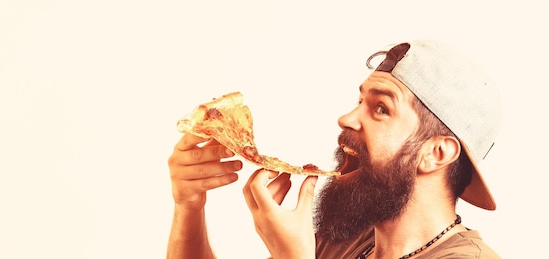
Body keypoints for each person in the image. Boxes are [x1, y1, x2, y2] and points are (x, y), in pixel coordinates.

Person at [166, 40, 502, 259]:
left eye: (381, 109)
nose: (346, 118)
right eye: (359, 101)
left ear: (436, 153)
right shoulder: (340, 243)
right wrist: (189, 206)